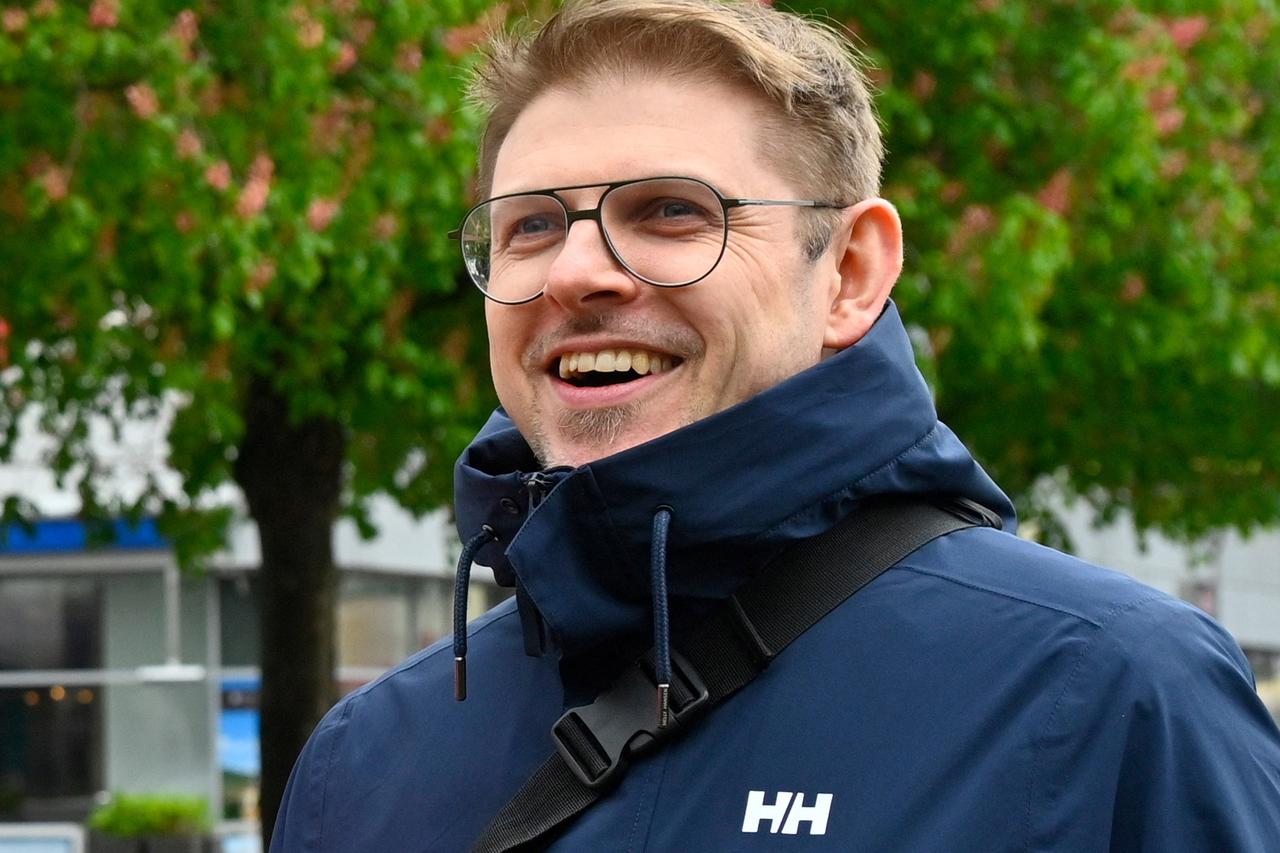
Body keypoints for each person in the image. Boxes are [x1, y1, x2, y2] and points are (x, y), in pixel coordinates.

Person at [270, 1, 1280, 850]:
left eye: (669, 211)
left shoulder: (1107, 694)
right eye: (531, 224)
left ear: (847, 274)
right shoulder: (364, 761)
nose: (575, 271)